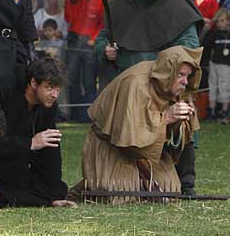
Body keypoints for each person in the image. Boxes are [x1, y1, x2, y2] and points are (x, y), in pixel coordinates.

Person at [96, 0, 203, 193]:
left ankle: (185, 183)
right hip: (131, 88)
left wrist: (168, 67)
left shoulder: (179, 9)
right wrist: (106, 50)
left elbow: (190, 47)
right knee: (131, 133)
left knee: (182, 124)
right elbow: (103, 37)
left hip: (166, 87)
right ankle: (133, 179)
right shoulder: (121, 6)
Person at [69, 46, 202, 204]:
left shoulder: (175, 86)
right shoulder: (136, 84)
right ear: (169, 70)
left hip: (148, 151)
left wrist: (180, 121)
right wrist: (166, 118)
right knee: (122, 194)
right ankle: (82, 190)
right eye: (181, 75)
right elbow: (128, 135)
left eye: (187, 76)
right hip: (113, 146)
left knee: (170, 189)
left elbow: (179, 139)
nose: (185, 82)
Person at [0, 55, 76, 208]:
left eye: (58, 89)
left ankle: (44, 198)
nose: (55, 95)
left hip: (17, 167)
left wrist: (54, 194)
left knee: (51, 189)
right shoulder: (1, 91)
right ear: (33, 83)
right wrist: (31, 143)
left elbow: (50, 150)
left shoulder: (48, 104)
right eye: (49, 87)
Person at [64, 0, 104, 122]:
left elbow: (102, 23)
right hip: (74, 40)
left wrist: (93, 39)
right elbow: (69, 19)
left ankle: (87, 115)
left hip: (88, 43)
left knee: (88, 80)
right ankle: (75, 115)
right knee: (72, 79)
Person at [202, 9, 230, 122]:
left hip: (227, 64)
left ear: (229, 21)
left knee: (225, 87)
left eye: (222, 21)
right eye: (218, 21)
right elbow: (206, 44)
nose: (220, 24)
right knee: (213, 86)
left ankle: (223, 111)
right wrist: (208, 28)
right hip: (214, 63)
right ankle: (211, 109)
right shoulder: (215, 34)